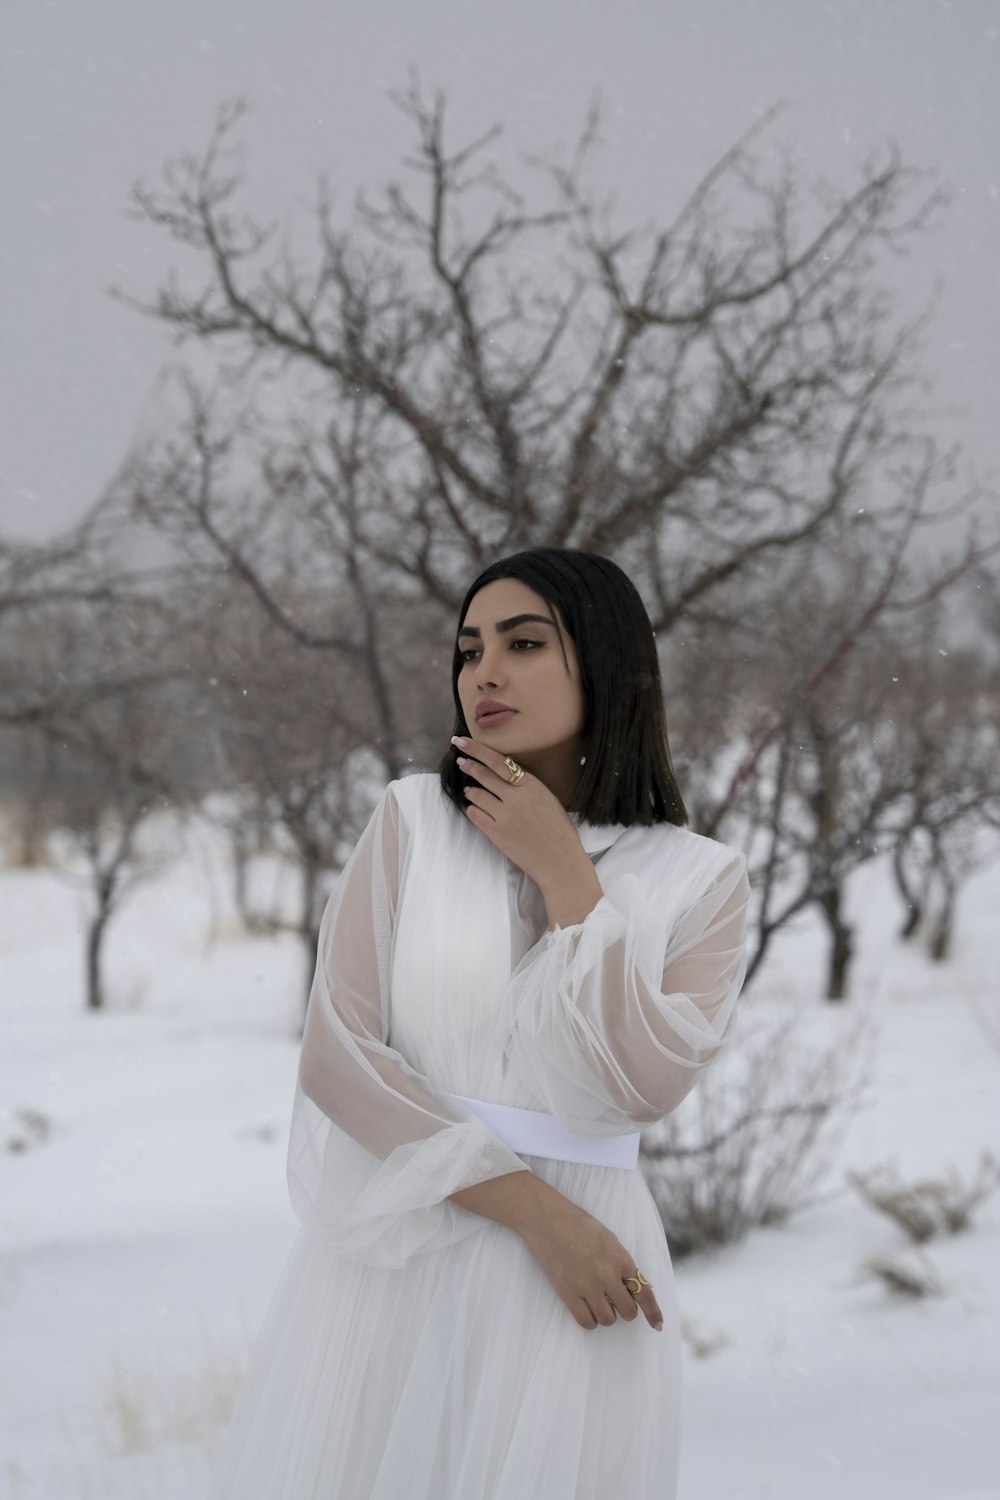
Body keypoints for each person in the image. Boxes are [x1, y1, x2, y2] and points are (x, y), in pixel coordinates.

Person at [207, 547, 750, 1500]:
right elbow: (338, 1057)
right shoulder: (413, 820)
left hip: (582, 1282)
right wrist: (533, 1211)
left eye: (524, 642)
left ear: (608, 663)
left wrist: (570, 880)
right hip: (404, 1245)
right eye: (468, 649)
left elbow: (640, 1089)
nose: (483, 672)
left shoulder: (701, 879)